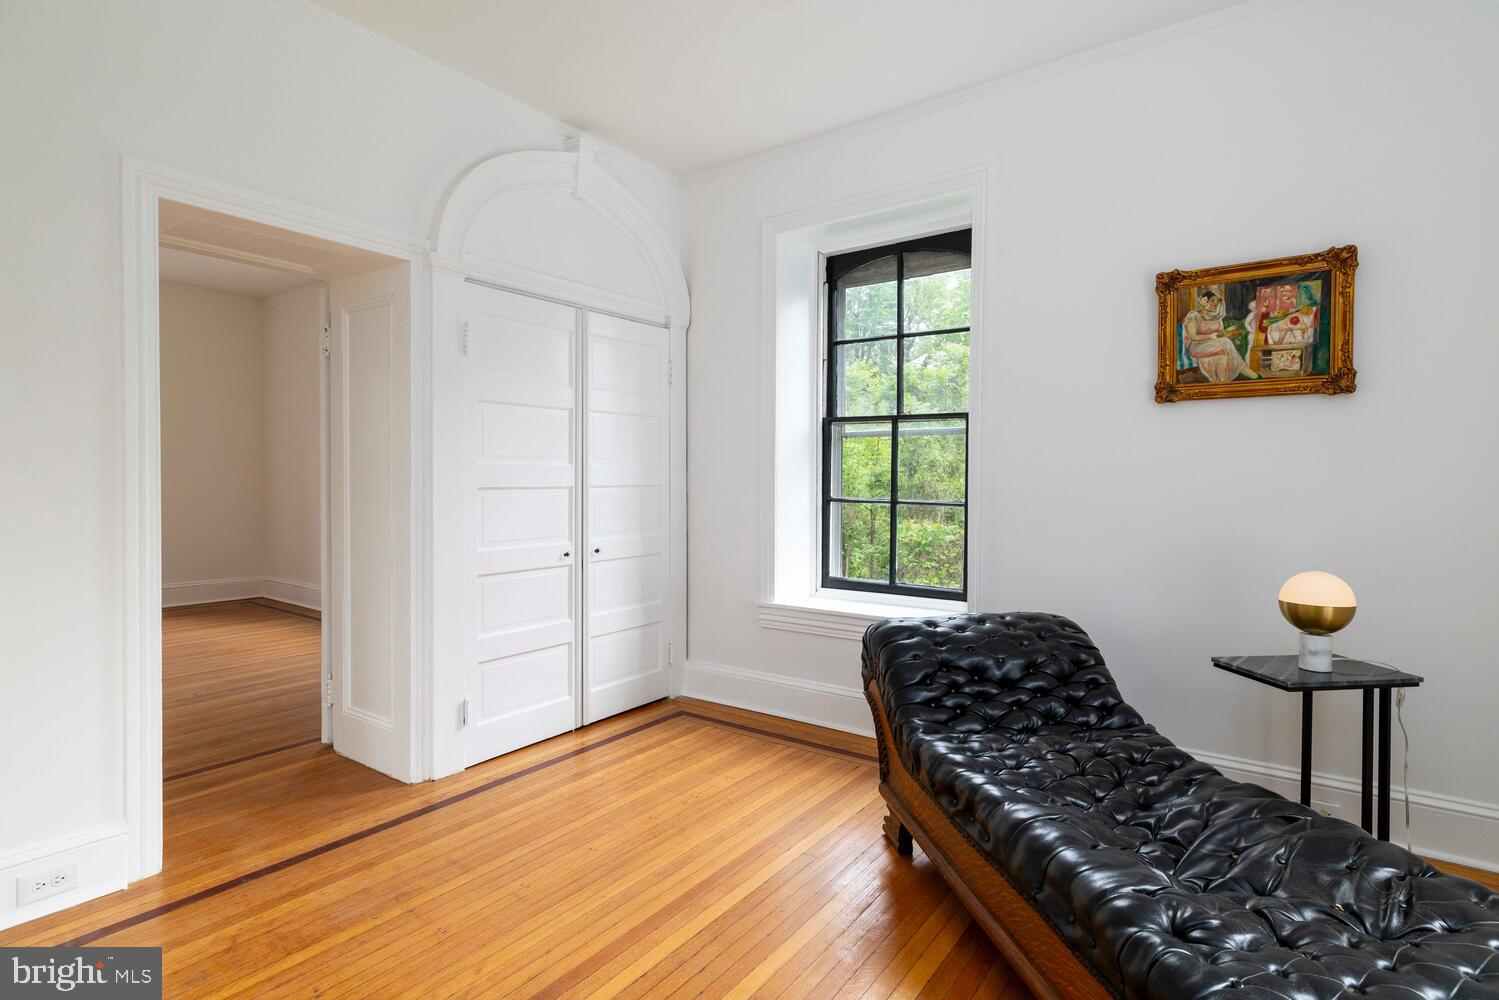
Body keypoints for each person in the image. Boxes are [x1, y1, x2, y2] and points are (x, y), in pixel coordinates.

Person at [1183, 287, 1257, 382]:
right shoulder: (1194, 316)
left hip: (1214, 344)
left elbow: (1222, 333)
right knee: (1225, 342)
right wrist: (1210, 336)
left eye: (1217, 301)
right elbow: (1193, 336)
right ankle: (1244, 369)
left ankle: (1222, 382)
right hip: (1197, 345)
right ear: (1205, 301)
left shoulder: (1217, 317)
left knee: (1223, 355)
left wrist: (1232, 331)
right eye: (1212, 300)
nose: (1215, 303)